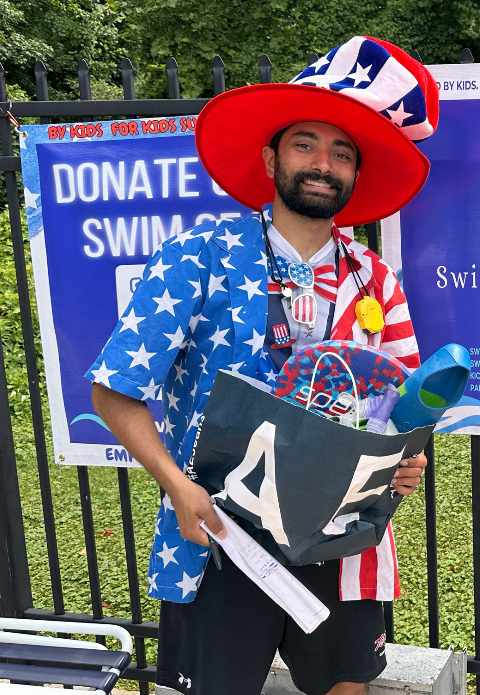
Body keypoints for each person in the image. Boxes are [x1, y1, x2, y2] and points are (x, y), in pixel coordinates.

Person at [86, 35, 439, 695]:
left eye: (341, 152)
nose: (322, 163)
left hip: (339, 538)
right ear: (272, 156)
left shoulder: (375, 279)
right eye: (305, 143)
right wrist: (177, 486)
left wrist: (405, 456)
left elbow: (399, 407)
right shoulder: (199, 255)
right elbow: (116, 391)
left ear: (355, 176)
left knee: (346, 686)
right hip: (221, 533)